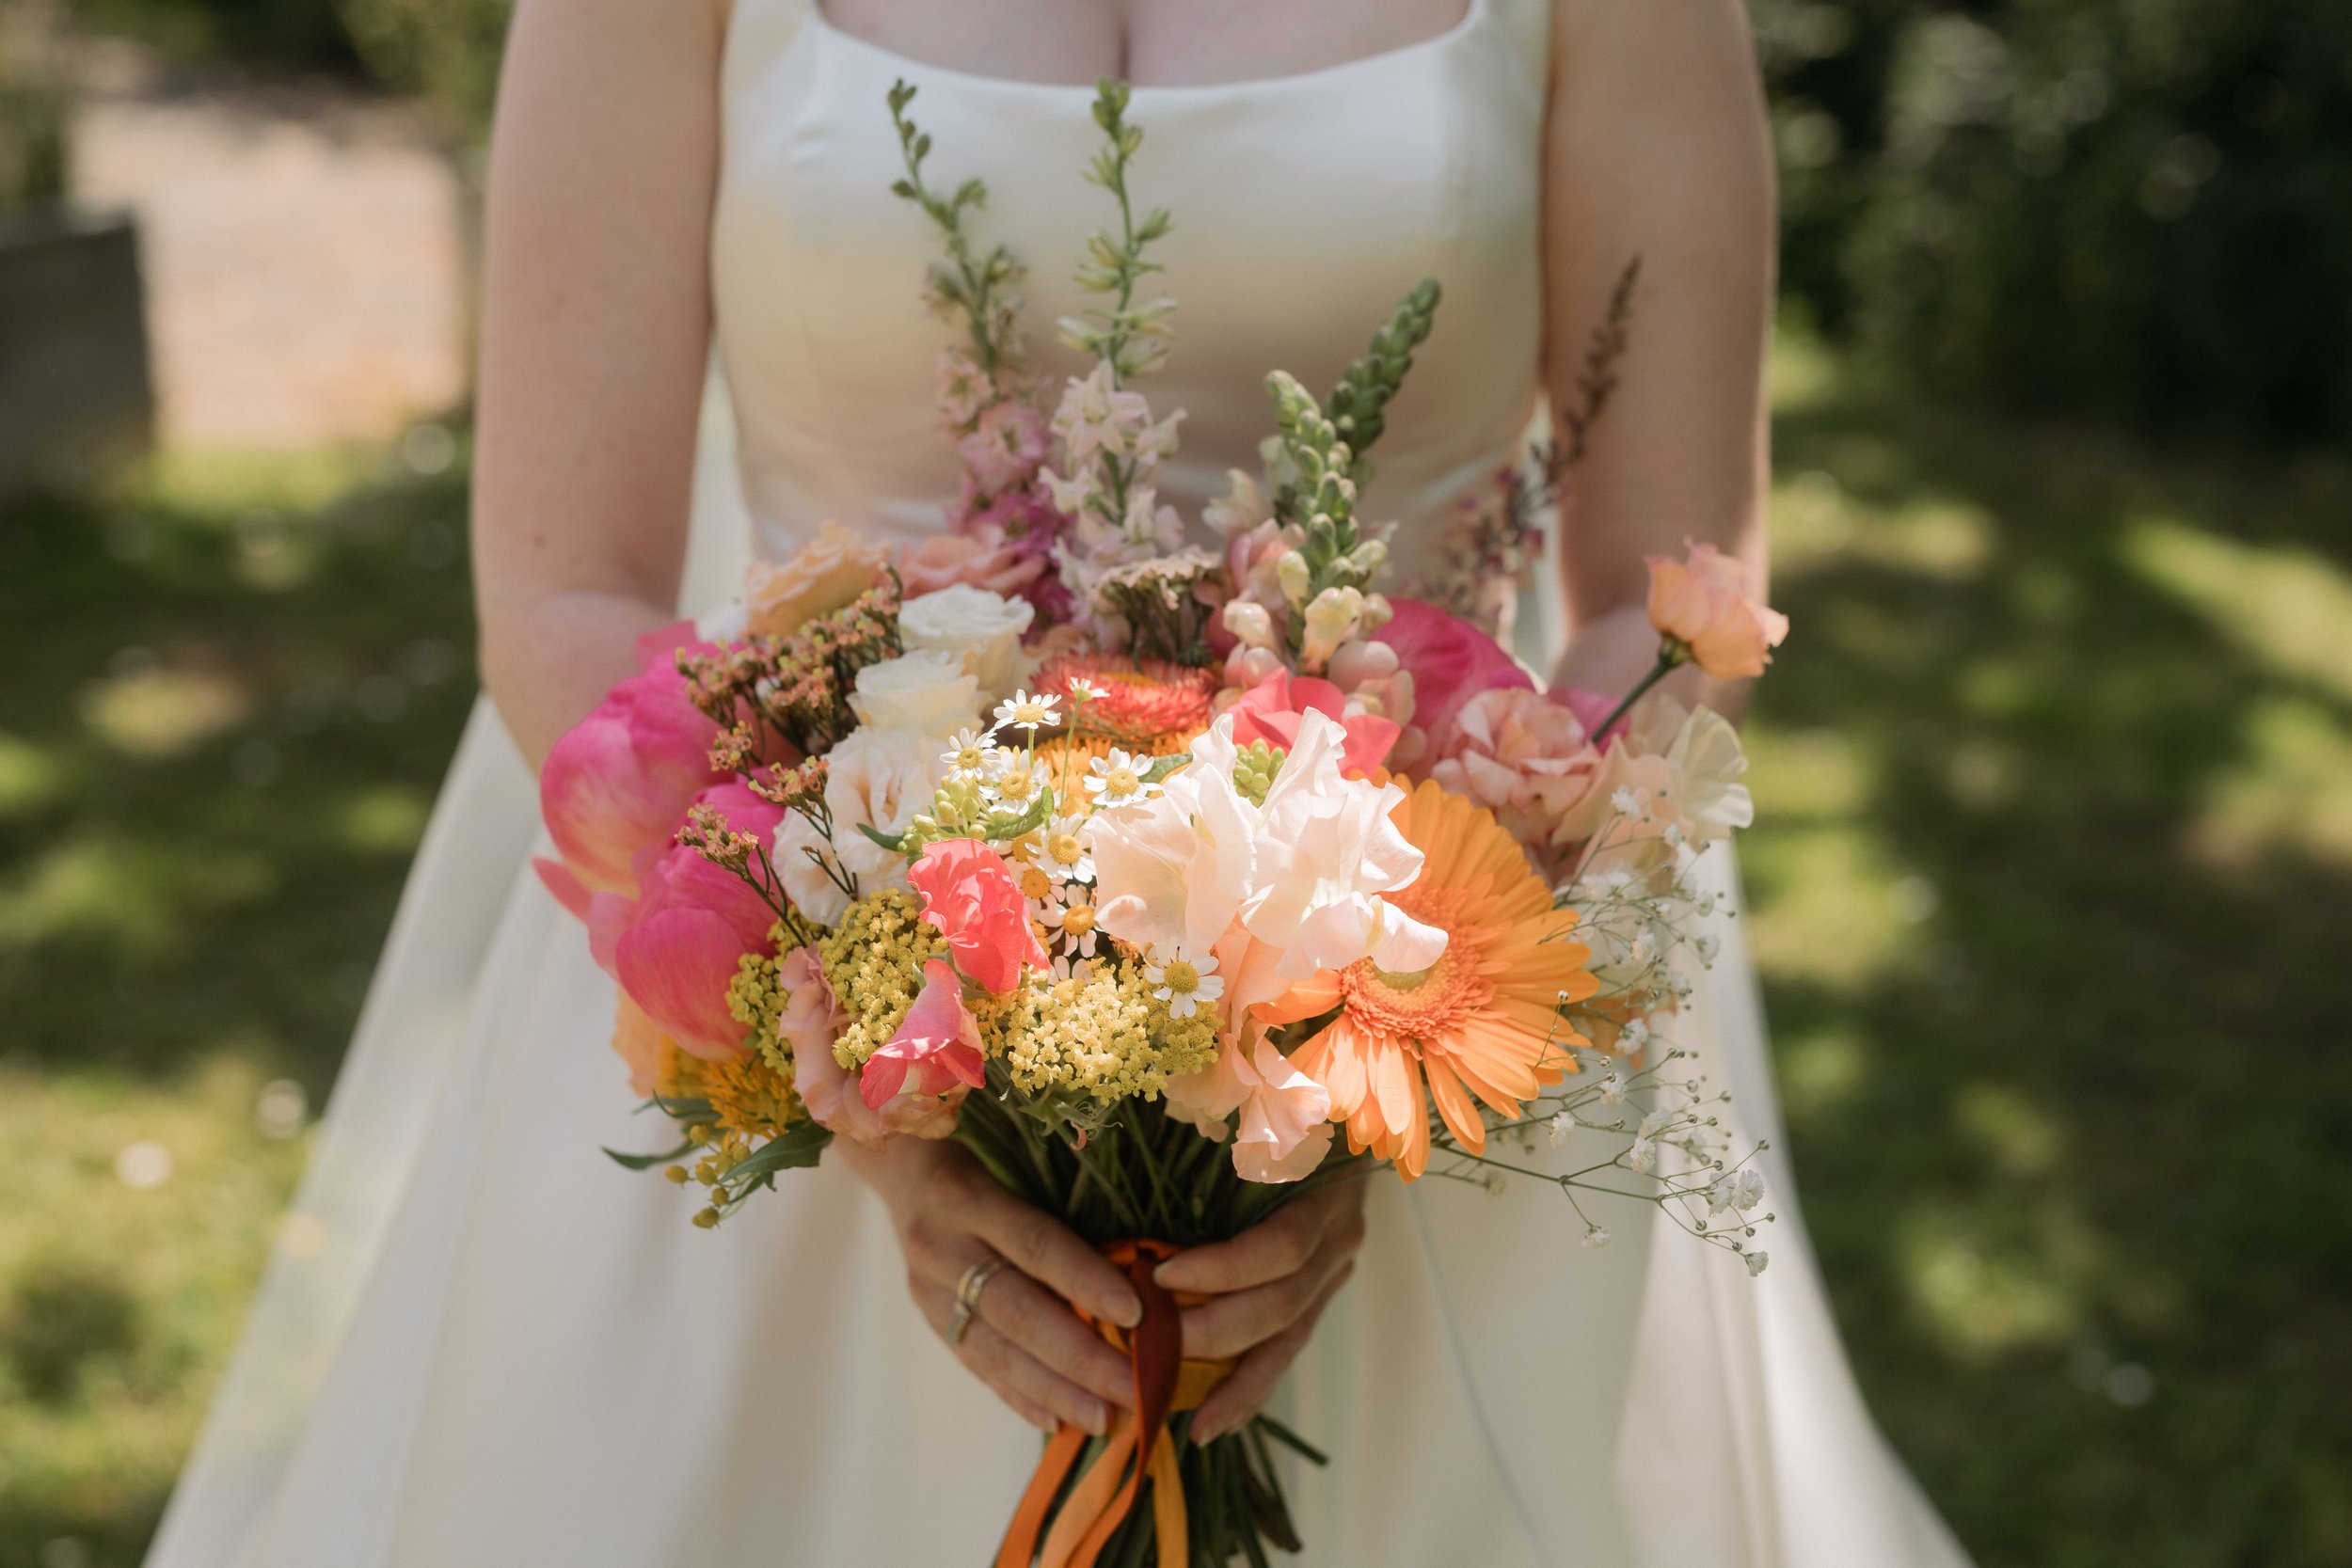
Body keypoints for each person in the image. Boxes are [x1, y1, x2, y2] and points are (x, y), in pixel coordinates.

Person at [146, 1, 1976, 1562]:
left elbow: (1668, 599)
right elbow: (563, 591)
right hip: (794, 1026)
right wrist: (872, 1075)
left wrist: (1363, 1058)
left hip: (1439, 1019)